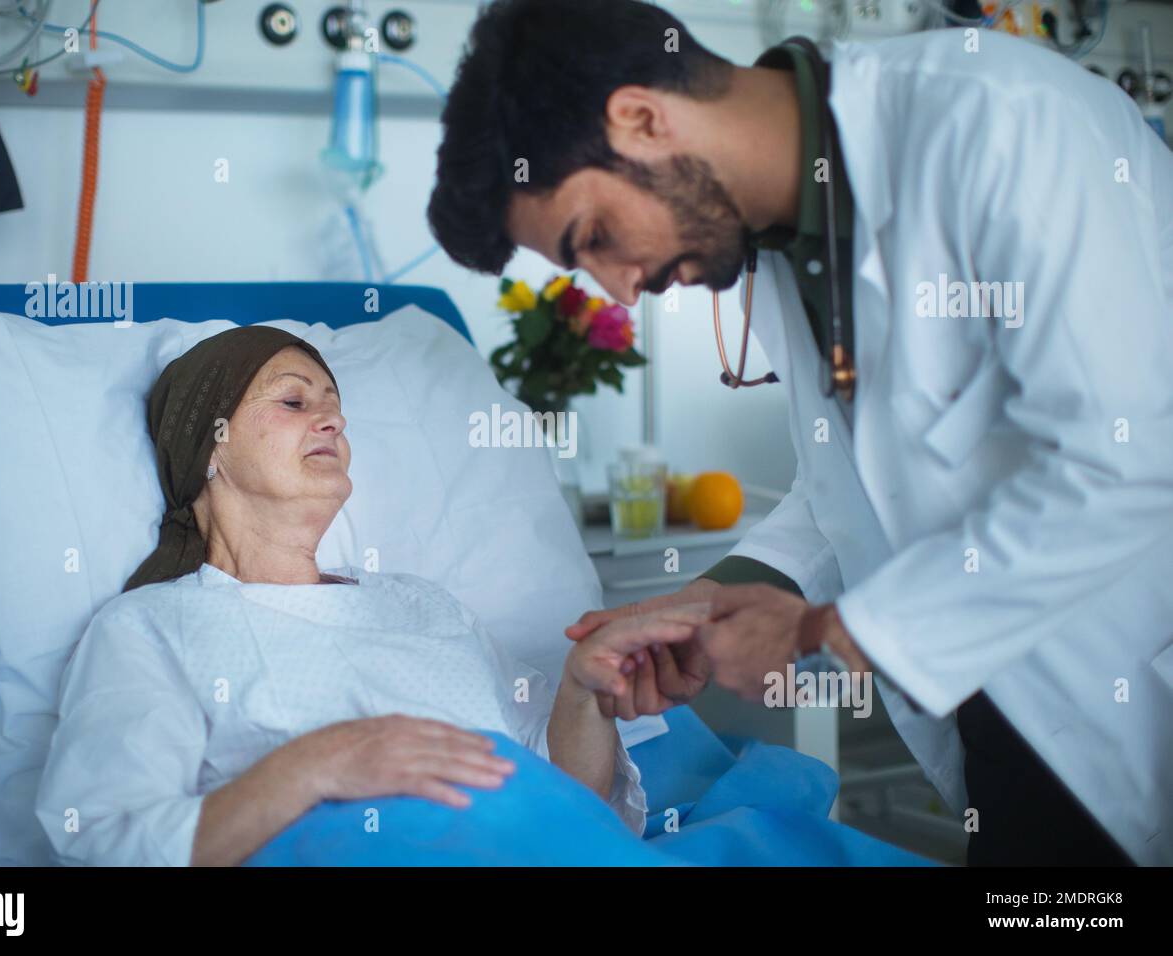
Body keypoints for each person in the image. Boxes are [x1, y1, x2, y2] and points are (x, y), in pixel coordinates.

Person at [427, 0, 1173, 865]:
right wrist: (696, 603)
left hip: (1129, 690)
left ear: (641, 118)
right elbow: (852, 492)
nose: (620, 291)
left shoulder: (999, 123)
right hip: (1010, 718)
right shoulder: (780, 245)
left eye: (593, 236)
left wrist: (821, 634)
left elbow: (1132, 457)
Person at [35, 325, 705, 866]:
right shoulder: (151, 626)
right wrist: (311, 767)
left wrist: (585, 696)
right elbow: (104, 841)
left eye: (335, 408)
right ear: (207, 446)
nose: (331, 420)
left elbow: (567, 807)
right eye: (295, 402)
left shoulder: (425, 606)